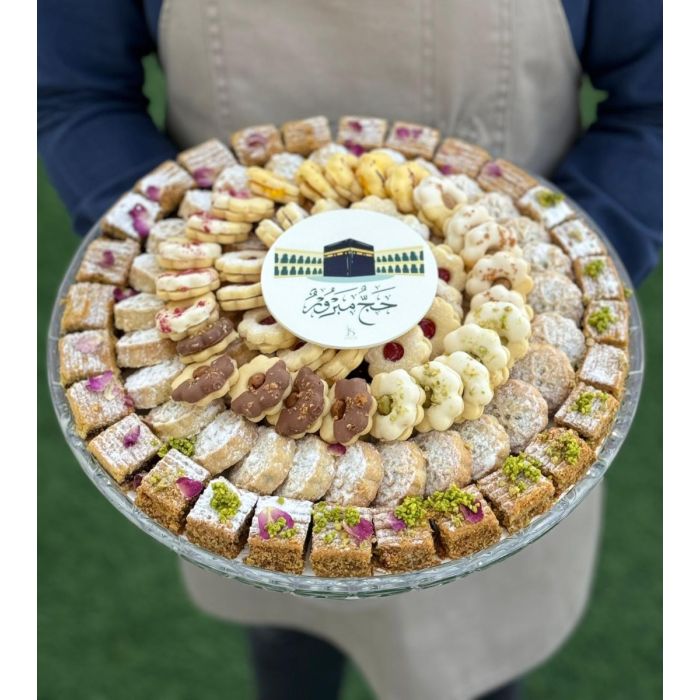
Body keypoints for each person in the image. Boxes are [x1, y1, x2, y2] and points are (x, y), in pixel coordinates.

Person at [38, 2, 662, 699]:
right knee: (283, 637)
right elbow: (76, 89)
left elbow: (663, 102)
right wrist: (162, 253)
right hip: (241, 431)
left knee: (472, 670)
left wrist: (559, 274)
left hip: (497, 356)